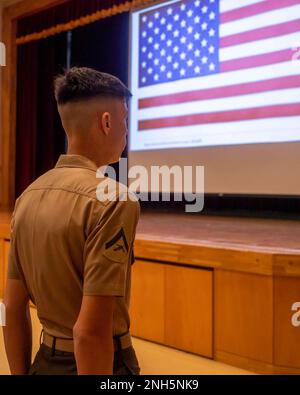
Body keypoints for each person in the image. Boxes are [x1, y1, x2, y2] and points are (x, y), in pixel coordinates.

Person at [2, 67, 141, 375]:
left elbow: (10, 308)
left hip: (43, 362)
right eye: (125, 119)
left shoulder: (27, 197)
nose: (127, 130)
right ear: (106, 122)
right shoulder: (113, 199)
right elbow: (89, 332)